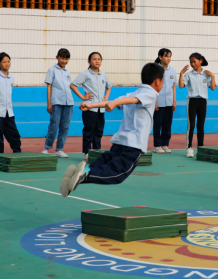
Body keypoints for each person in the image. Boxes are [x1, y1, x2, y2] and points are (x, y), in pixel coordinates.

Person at [60, 63, 164, 197]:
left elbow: (116, 101)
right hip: (134, 143)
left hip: (120, 140)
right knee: (117, 174)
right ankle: (85, 174)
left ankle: (81, 173)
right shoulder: (150, 94)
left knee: (105, 162)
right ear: (157, 81)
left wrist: (91, 104)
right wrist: (114, 103)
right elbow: (129, 100)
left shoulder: (134, 92)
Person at [70, 52, 112, 161]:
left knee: (99, 131)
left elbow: (109, 87)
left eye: (99, 59)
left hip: (101, 109)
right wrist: (83, 97)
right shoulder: (85, 74)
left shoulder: (103, 75)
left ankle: (97, 152)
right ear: (89, 61)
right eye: (94, 59)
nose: (97, 61)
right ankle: (87, 153)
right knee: (89, 131)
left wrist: (106, 97)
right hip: (89, 108)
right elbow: (73, 85)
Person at [179, 53, 216, 158]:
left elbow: (212, 88)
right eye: (191, 62)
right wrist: (181, 74)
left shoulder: (207, 74)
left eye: (194, 61)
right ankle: (189, 148)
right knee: (191, 125)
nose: (192, 64)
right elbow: (181, 86)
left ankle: (200, 148)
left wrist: (213, 76)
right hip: (192, 101)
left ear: (201, 61)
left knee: (201, 126)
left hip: (203, 102)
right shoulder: (188, 75)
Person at [43, 48, 74, 158]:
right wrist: (49, 103)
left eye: (66, 59)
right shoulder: (52, 70)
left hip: (69, 103)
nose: (64, 61)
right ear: (57, 57)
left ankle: (59, 149)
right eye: (62, 58)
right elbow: (49, 86)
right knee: (54, 126)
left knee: (65, 127)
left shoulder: (68, 72)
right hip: (56, 102)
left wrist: (82, 97)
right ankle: (47, 147)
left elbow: (71, 87)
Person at [0, 52, 22, 153]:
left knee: (14, 133)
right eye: (4, 62)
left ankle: (17, 152)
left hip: (9, 111)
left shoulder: (11, 78)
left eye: (8, 61)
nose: (7, 64)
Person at [153, 48, 177, 154]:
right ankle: (157, 145)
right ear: (160, 57)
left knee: (167, 124)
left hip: (169, 102)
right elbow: (152, 86)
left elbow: (173, 87)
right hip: (159, 102)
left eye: (170, 56)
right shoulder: (155, 70)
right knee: (158, 124)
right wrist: (154, 102)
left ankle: (165, 144)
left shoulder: (172, 70)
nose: (168, 58)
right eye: (166, 56)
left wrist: (174, 101)